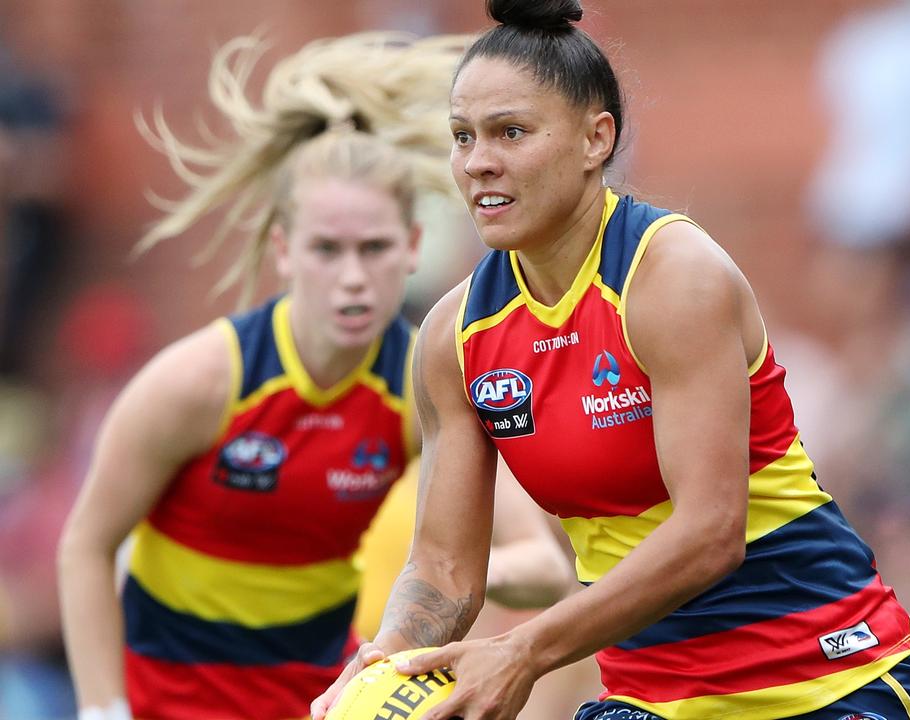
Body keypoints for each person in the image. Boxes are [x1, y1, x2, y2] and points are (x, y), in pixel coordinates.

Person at [313, 2, 910, 719]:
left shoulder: (672, 277)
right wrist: (381, 665)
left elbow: (710, 536)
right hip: (654, 700)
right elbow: (441, 572)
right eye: (463, 137)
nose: (478, 162)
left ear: (597, 139)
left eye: (511, 132)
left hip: (828, 680)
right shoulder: (454, 336)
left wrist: (524, 650)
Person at [56, 31, 573, 720]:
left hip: (323, 704)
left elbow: (543, 566)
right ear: (284, 251)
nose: (353, 278)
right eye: (328, 249)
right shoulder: (205, 380)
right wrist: (101, 710)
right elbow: (86, 546)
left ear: (413, 247)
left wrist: (456, 583)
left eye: (375, 248)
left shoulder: (423, 378)